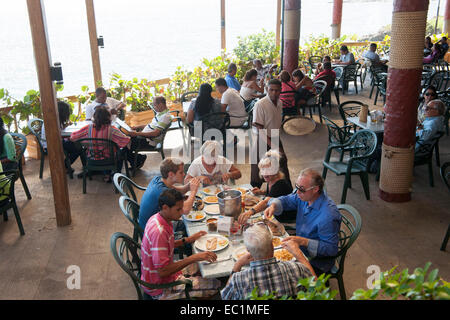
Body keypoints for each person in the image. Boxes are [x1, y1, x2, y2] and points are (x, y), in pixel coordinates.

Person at [242, 168, 341, 275]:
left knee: (272, 273)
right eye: (296, 187)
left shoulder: (328, 215)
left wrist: (303, 241)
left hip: (317, 261)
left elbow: (331, 249)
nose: (297, 192)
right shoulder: (304, 196)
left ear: (316, 189)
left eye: (302, 189)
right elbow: (287, 199)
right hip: (300, 249)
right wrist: (274, 205)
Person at [141, 189, 221, 300]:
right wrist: (193, 258)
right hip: (160, 287)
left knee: (204, 265)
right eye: (178, 209)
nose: (182, 212)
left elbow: (166, 245)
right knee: (216, 285)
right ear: (165, 207)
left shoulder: (158, 218)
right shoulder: (159, 232)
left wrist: (188, 240)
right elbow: (163, 272)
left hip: (161, 274)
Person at [220, 222, 315, 300]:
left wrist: (237, 265)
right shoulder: (296, 269)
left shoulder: (238, 279)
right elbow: (315, 287)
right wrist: (300, 255)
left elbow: (225, 297)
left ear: (248, 250)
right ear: (272, 245)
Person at [70, 106, 131, 182]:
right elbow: (126, 140)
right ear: (108, 117)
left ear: (94, 117)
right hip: (109, 160)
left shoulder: (88, 128)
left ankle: (106, 174)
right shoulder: (112, 129)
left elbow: (73, 137)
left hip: (91, 159)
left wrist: (86, 143)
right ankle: (116, 174)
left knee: (108, 151)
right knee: (120, 151)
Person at [138, 157, 201, 231]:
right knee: (192, 225)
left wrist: (188, 186)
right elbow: (185, 210)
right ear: (171, 174)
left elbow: (179, 190)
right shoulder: (162, 192)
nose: (184, 174)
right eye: (181, 172)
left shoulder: (159, 179)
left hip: (150, 222)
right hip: (153, 230)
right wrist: (193, 191)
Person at [251, 79, 291, 188]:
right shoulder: (260, 104)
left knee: (282, 164)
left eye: (277, 90)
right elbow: (260, 129)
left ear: (281, 90)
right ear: (267, 89)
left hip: (274, 136)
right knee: (259, 169)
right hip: (263, 138)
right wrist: (274, 146)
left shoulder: (279, 103)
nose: (274, 93)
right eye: (271, 90)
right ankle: (255, 193)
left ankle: (286, 191)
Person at [238, 150, 294, 224]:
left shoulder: (280, 183)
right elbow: (273, 194)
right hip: (275, 213)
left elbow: (266, 202)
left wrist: (250, 212)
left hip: (284, 219)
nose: (265, 173)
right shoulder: (271, 179)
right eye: (263, 169)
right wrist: (261, 192)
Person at [125, 96, 173, 168]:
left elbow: (155, 133)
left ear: (161, 105)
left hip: (149, 141)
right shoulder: (161, 113)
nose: (153, 107)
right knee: (125, 141)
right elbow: (151, 126)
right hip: (145, 138)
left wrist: (136, 133)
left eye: (154, 105)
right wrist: (136, 127)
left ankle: (137, 161)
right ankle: (139, 159)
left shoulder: (165, 117)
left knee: (124, 144)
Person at [40, 101, 82, 175]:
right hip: (51, 145)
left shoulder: (54, 118)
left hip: (53, 142)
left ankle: (65, 166)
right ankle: (65, 166)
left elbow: (60, 134)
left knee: (76, 145)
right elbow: (58, 136)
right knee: (78, 148)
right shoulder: (54, 121)